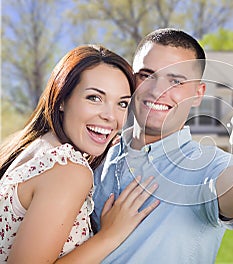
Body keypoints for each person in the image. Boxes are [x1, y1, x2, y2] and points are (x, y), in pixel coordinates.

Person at [92, 28, 233, 263]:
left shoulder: (208, 166)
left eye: (175, 81)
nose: (156, 91)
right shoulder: (99, 153)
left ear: (198, 94)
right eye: (147, 75)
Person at [0, 45, 159, 263]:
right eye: (94, 98)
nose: (110, 117)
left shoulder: (31, 147)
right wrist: (109, 235)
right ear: (63, 99)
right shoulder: (68, 170)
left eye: (122, 104)